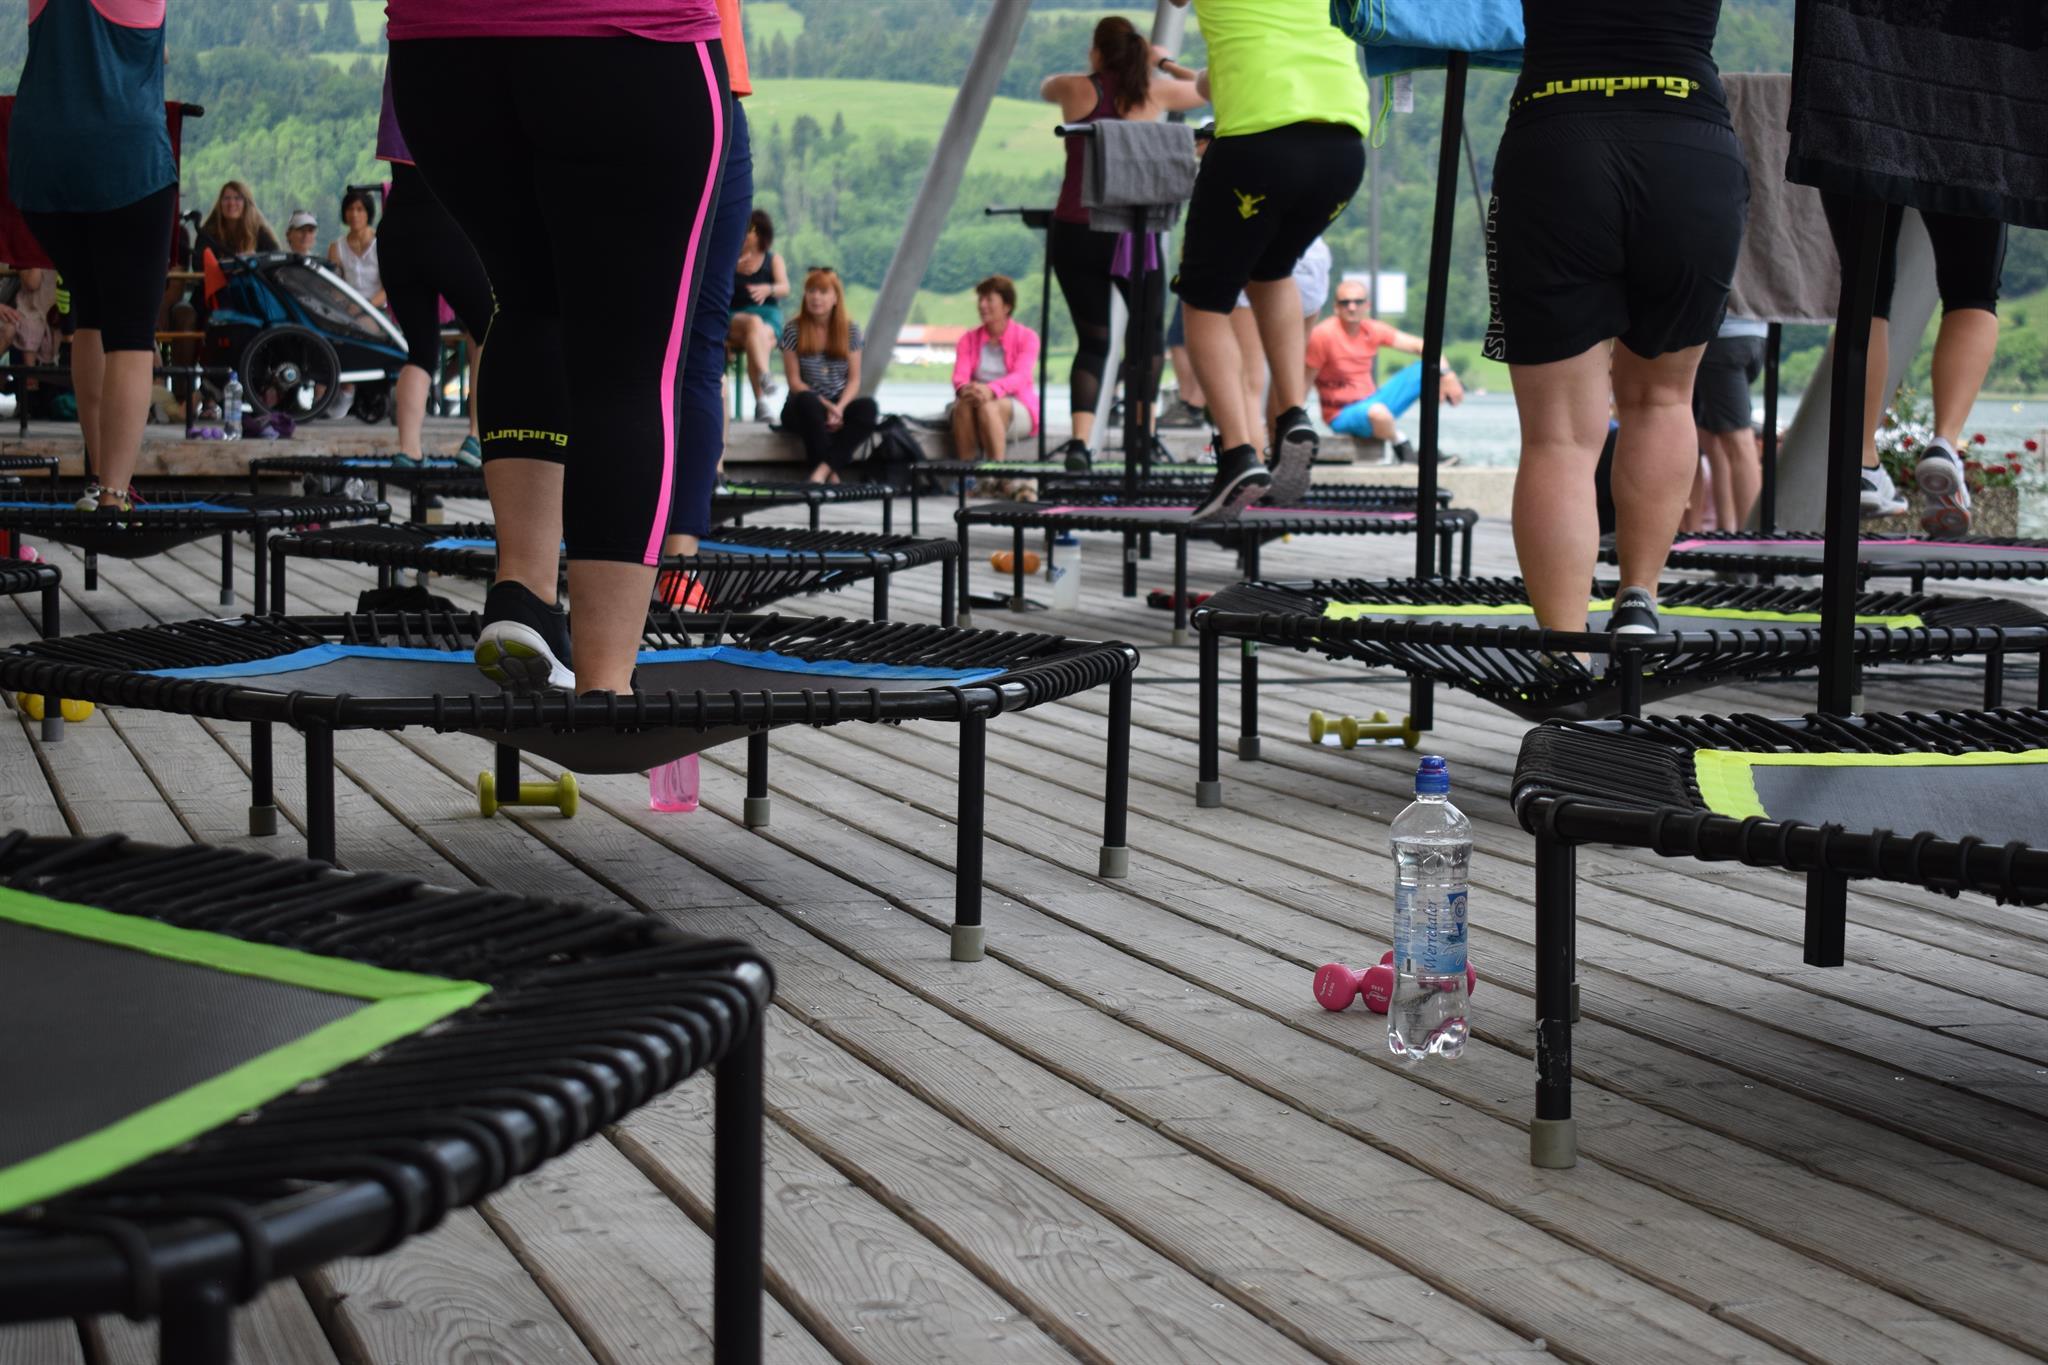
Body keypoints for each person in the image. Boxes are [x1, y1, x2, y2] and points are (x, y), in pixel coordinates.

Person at [388, 2, 728, 697]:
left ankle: (524, 593)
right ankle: (604, 685)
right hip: (624, 37)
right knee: (629, 364)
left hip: (442, 53)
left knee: (528, 297)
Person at [1488, 0, 1747, 637]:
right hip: (1687, 142)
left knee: (1558, 437)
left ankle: (1564, 652)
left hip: (1556, 137)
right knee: (1663, 398)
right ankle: (1638, 598)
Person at [1165, 0, 1370, 519]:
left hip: (1257, 142)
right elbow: (1255, 50)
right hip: (1342, 146)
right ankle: (1292, 414)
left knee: (1204, 298)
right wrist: (1202, 76)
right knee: (1272, 268)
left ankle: (1238, 452)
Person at [9, 0, 177, 513]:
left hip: (40, 164)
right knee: (131, 330)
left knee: (89, 310)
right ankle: (113, 494)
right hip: (125, 160)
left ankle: (101, 476)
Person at [1041, 15, 1206, 470]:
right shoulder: (1156, 93)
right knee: (1147, 340)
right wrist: (1166, 63)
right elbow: (1214, 89)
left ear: (1096, 52)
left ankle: (1079, 444)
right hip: (1133, 233)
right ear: (1137, 53)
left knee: (1091, 343)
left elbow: (1045, 86)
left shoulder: (1074, 89)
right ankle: (1143, 435)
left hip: (1076, 230)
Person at [1822, 200, 2007, 535]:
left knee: (1867, 290)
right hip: (1963, 150)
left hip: (1857, 147)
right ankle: (1945, 444)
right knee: (1973, 289)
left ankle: (1862, 462)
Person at [660, 0, 755, 581]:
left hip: (614, 75)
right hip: (704, 91)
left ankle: (665, 560)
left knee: (653, 350)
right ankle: (677, 561)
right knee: (696, 351)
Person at [373, 69, 492, 467]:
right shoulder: (454, 80)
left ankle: (408, 449)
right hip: (444, 223)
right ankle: (477, 437)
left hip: (395, 230)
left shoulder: (403, 79)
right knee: (488, 328)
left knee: (421, 349)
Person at [1306, 277, 1464, 461]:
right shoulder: (1322, 335)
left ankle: (1429, 448)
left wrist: (1448, 375)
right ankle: (1403, 448)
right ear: (1336, 307)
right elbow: (1303, 380)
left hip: (1373, 400)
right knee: (1377, 412)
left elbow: (1420, 346)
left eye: (1358, 302)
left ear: (1367, 305)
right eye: (1345, 302)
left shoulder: (1371, 329)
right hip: (1341, 414)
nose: (1352, 307)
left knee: (1429, 370)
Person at [779, 267, 878, 482]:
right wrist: (827, 406)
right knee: (807, 401)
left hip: (837, 403)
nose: (816, 297)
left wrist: (840, 408)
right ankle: (832, 475)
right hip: (804, 405)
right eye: (811, 291)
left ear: (835, 298)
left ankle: (821, 472)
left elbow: (854, 380)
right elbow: (794, 382)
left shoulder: (851, 331)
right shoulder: (793, 329)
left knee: (868, 408)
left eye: (823, 292)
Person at [948, 274, 1041, 463]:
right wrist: (966, 389)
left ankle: (997, 472)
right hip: (975, 399)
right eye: (981, 299)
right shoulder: (968, 339)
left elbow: (1020, 376)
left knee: (988, 406)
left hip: (1016, 404)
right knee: (963, 405)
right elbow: (960, 375)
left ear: (1006, 306)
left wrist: (991, 390)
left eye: (989, 299)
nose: (982, 305)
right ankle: (968, 475)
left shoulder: (1027, 337)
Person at [1689, 314, 1766, 531]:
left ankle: (1752, 535)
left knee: (1738, 439)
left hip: (1721, 336)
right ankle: (1723, 528)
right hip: (1753, 332)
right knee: (1707, 435)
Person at [325, 188, 384, 420]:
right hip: (346, 307)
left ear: (368, 213)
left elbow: (386, 287)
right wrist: (346, 305)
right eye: (350, 209)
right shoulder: (337, 247)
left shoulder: (380, 244)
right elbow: (333, 284)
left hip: (376, 307)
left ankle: (354, 388)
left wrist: (367, 306)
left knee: (363, 327)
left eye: (359, 209)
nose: (354, 214)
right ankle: (344, 388)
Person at [728, 209, 787, 422]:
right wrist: (732, 269)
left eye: (750, 231)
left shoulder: (772, 260)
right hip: (736, 316)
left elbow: (784, 287)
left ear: (761, 234)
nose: (745, 235)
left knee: (758, 335)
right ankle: (765, 375)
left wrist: (767, 289)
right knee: (754, 326)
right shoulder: (729, 260)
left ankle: (761, 403)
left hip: (768, 316)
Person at [200, 181, 279, 258]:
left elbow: (276, 259)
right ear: (220, 203)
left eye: (237, 198)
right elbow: (198, 265)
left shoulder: (260, 232)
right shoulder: (208, 233)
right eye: (226, 198)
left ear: (247, 204)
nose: (231, 203)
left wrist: (256, 259)